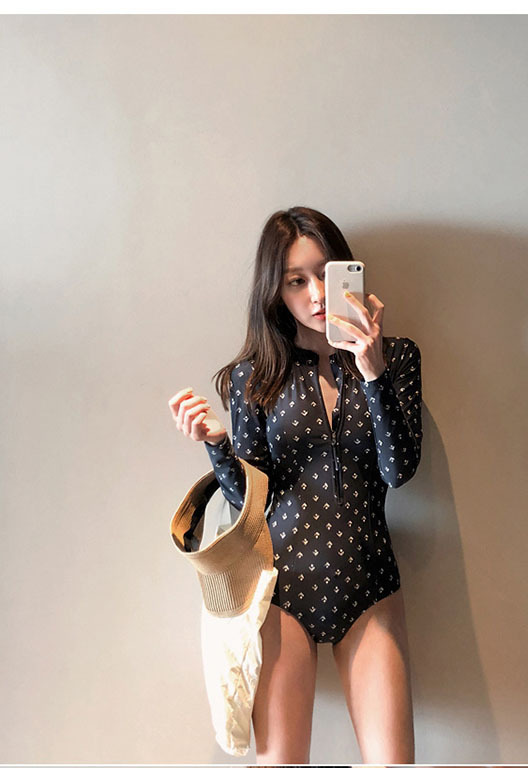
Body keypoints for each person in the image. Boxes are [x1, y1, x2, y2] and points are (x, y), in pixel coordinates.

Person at [167, 206, 422, 763]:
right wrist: (217, 443)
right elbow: (249, 501)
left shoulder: (397, 356)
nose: (317, 294)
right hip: (284, 589)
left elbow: (398, 470)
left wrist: (373, 372)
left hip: (369, 582)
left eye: (325, 273)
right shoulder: (254, 375)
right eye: (296, 281)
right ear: (275, 292)